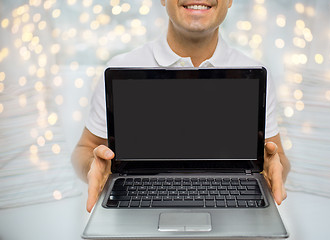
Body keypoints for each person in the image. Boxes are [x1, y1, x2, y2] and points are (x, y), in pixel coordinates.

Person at [71, 0, 291, 213]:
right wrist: (93, 167)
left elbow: (277, 156)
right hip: (139, 201)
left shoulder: (252, 72)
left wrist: (273, 170)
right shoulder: (121, 69)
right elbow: (85, 149)